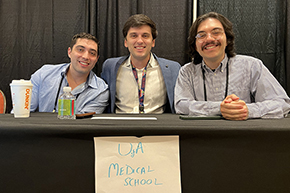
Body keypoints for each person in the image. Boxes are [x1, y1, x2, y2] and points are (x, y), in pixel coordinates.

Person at [175, 12, 290, 120]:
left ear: (227, 39)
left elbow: (282, 103)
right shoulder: (186, 72)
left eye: (216, 32)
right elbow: (181, 105)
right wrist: (220, 108)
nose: (209, 39)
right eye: (201, 35)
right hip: (201, 137)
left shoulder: (252, 66)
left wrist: (247, 110)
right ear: (195, 45)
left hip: (244, 136)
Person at [101, 14, 181, 114]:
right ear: (126, 42)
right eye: (134, 35)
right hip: (120, 126)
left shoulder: (173, 69)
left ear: (153, 42)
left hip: (156, 127)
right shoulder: (110, 67)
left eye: (145, 36)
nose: (139, 41)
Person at [30, 32, 109, 114]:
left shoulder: (100, 91)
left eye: (92, 53)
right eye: (80, 50)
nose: (85, 57)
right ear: (69, 52)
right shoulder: (43, 74)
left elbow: (85, 124)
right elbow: (25, 112)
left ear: (96, 59)